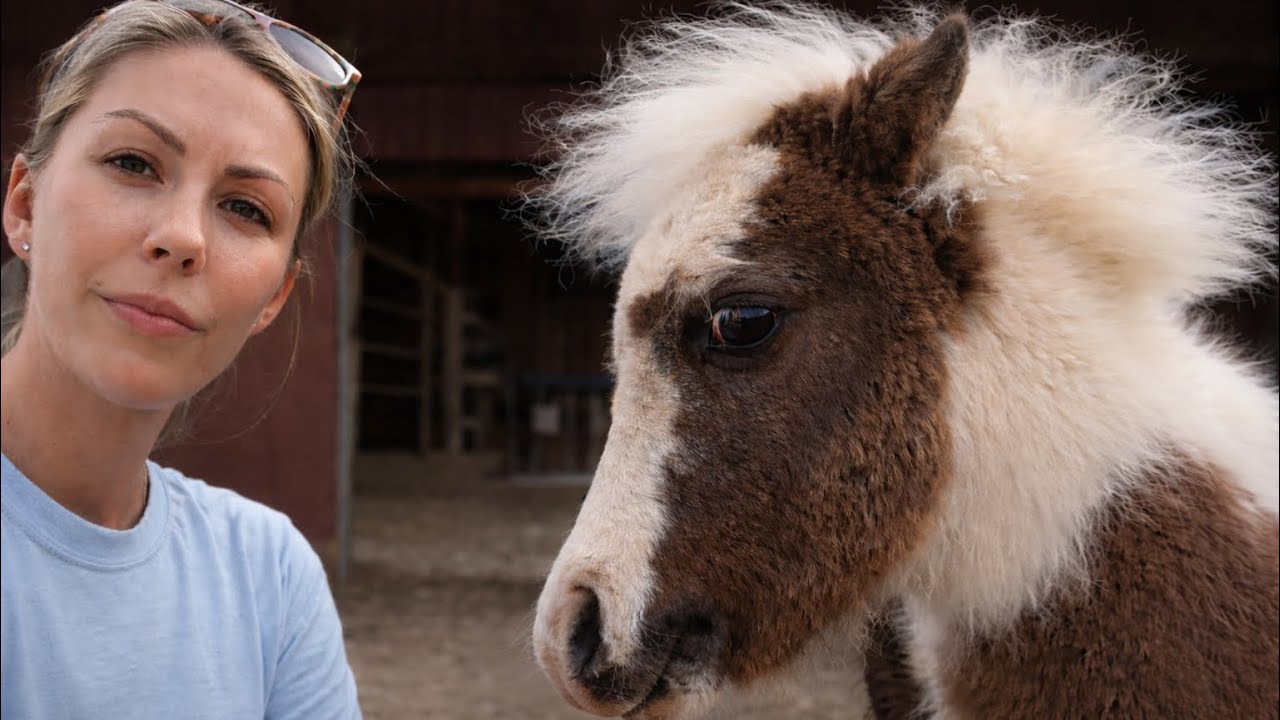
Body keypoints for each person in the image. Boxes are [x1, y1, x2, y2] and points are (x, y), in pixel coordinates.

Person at [0, 1, 363, 717]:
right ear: (24, 205)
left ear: (273, 298)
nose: (182, 236)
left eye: (246, 209)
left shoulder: (269, 576)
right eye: (133, 163)